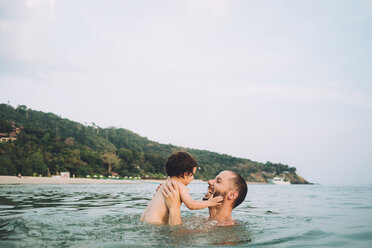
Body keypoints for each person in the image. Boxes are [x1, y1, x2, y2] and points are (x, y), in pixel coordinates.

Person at [141, 151, 223, 225]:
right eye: (192, 175)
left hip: (145, 219)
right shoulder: (179, 185)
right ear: (185, 174)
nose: (192, 178)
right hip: (156, 224)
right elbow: (191, 205)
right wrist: (210, 202)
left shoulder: (165, 184)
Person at [161, 170, 248, 226]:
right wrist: (162, 199)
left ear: (232, 195)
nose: (209, 182)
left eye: (218, 181)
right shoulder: (199, 219)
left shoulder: (228, 230)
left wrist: (174, 208)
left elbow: (175, 240)